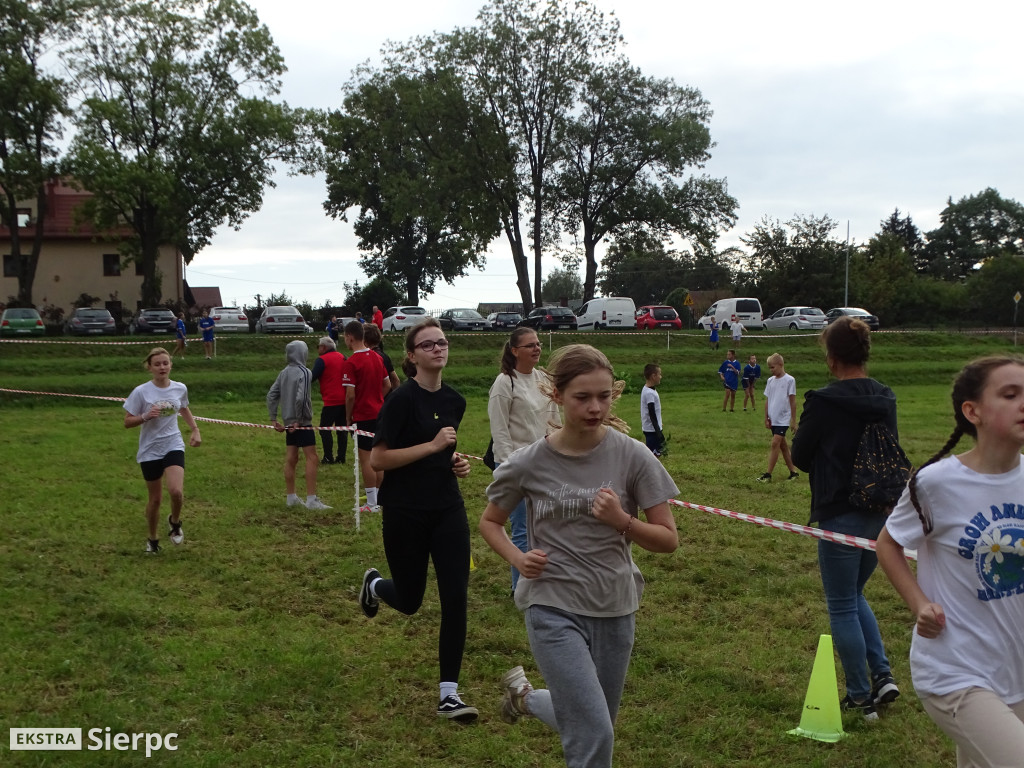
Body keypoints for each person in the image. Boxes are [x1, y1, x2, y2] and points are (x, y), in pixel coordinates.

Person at [479, 344, 679, 768]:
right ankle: (530, 700)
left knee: (594, 719)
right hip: (552, 605)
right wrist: (518, 559)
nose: (595, 408)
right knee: (594, 731)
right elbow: (490, 522)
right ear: (557, 395)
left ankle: (526, 699)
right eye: (582, 398)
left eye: (603, 397)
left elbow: (667, 539)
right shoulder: (528, 462)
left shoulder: (633, 455)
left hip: (614, 605)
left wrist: (622, 520)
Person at [877, 355, 1024, 765]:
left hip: (1015, 671)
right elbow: (887, 544)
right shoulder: (936, 482)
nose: (1023, 403)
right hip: (955, 671)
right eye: (1011, 394)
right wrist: (919, 604)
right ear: (972, 411)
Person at [358, 318, 478, 721]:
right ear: (411, 356)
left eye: (442, 342)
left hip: (447, 508)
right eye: (427, 345)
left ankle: (449, 694)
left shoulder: (455, 401)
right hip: (404, 511)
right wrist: (431, 447)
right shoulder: (401, 400)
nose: (437, 349)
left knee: (456, 598)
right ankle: (375, 585)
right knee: (410, 601)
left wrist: (455, 463)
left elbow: (442, 453)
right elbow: (378, 459)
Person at [791, 317, 901, 720]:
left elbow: (801, 456)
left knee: (841, 604)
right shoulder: (885, 397)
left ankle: (859, 695)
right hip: (880, 515)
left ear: (831, 358)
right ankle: (883, 676)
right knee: (855, 594)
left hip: (840, 512)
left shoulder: (823, 401)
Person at [487, 327, 561, 595]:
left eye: (538, 344)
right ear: (515, 351)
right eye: (530, 345)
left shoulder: (543, 378)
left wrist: (560, 452)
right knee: (522, 529)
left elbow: (554, 420)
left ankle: (545, 582)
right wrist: (508, 467)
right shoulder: (505, 383)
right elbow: (500, 431)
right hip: (516, 466)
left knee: (545, 525)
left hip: (546, 463)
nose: (537, 348)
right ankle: (521, 589)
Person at [123, 347, 201, 553]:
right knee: (155, 499)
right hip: (149, 449)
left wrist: (194, 429)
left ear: (171, 365)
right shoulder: (141, 392)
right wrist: (145, 416)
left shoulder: (179, 388)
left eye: (165, 363)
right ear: (149, 367)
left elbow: (183, 407)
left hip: (173, 444)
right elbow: (127, 422)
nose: (162, 367)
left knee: (176, 491)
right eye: (157, 364)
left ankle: (175, 523)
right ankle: (152, 538)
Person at [267, 339, 332, 511]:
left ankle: (291, 497)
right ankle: (311, 499)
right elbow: (301, 398)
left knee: (291, 458)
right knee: (312, 457)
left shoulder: (283, 373)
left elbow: (271, 395)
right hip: (302, 422)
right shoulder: (305, 372)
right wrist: (299, 420)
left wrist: (274, 419)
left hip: (288, 423)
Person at [342, 320, 391, 512]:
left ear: (350, 337)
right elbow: (387, 384)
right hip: (379, 414)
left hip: (362, 416)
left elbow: (350, 395)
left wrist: (348, 417)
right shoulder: (377, 357)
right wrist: (378, 398)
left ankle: (371, 503)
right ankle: (380, 498)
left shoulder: (351, 362)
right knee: (380, 458)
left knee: (367, 460)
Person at [757, 352, 799, 482]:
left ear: (781, 365)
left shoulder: (789, 380)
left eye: (773, 367)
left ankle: (768, 475)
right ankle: (793, 472)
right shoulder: (770, 381)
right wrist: (766, 417)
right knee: (783, 446)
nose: (771, 370)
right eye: (769, 368)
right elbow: (768, 400)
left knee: (775, 443)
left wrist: (793, 420)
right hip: (773, 418)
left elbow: (792, 401)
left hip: (783, 419)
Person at [311, 336, 347, 465]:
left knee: (324, 428)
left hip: (331, 400)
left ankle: (328, 456)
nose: (318, 349)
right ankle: (341, 457)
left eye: (318, 346)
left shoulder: (322, 360)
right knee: (342, 429)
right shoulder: (343, 357)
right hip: (345, 398)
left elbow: (312, 377)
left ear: (324, 347)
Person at [363, 322, 401, 395]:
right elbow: (396, 380)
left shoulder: (371, 357)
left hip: (376, 400)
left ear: (364, 341)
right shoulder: (384, 355)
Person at [640, 363, 665, 456]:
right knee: (653, 456)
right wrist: (658, 432)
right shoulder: (649, 393)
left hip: (652, 428)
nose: (661, 377)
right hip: (652, 430)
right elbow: (651, 413)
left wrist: (659, 422)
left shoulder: (648, 389)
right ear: (653, 376)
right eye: (659, 374)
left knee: (655, 455)